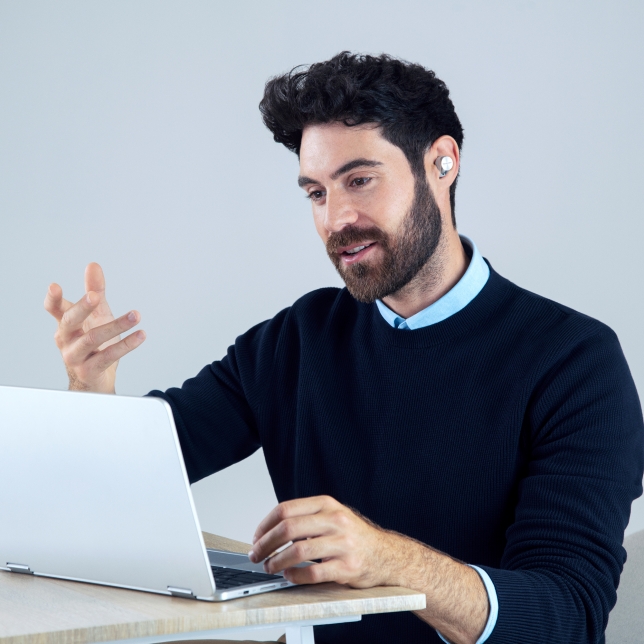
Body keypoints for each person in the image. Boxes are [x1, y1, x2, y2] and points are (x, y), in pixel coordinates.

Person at [44, 52, 644, 644]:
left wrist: (390, 561)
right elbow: (133, 476)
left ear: (442, 162)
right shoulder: (299, 338)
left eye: (359, 180)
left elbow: (568, 616)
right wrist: (89, 389)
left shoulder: (574, 362)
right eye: (316, 193)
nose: (336, 220)